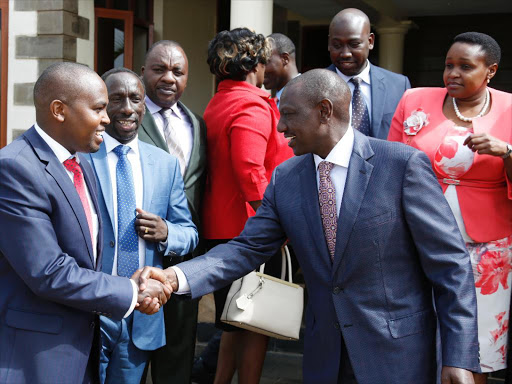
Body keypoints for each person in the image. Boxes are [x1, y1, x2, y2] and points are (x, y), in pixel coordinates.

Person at [136, 69, 480, 384]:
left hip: (398, 356)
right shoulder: (286, 178)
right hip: (325, 358)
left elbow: (451, 268)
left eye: (288, 114)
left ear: (324, 111)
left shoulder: (401, 167)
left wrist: (459, 356)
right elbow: (245, 248)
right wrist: (174, 278)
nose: (281, 127)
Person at [0, 62, 169, 384]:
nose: (108, 118)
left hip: (83, 347)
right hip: (36, 355)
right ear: (59, 110)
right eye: (98, 108)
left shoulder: (80, 163)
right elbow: (48, 272)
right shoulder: (15, 169)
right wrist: (131, 291)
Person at [388, 32, 512, 383]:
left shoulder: (510, 108)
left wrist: (506, 152)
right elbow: (389, 163)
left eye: (465, 67)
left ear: (490, 71)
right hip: (417, 235)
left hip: (487, 249)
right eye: (448, 65)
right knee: (420, 328)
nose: (452, 73)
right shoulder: (415, 100)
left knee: (477, 342)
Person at [85, 68, 198, 384]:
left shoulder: (164, 163)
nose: (126, 108)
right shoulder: (80, 158)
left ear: (144, 104)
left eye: (135, 98)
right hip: (88, 312)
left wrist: (166, 232)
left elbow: (189, 233)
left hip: (140, 315)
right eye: (116, 99)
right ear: (103, 105)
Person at [200, 28, 293, 384]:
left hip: (224, 227)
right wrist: (277, 223)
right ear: (256, 62)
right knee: (256, 325)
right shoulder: (251, 103)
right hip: (249, 229)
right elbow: (250, 169)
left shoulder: (219, 100)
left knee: (234, 324)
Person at [139, 40, 207, 384]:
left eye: (177, 71)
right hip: (138, 251)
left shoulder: (198, 123)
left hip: (184, 254)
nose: (169, 77)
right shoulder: (126, 118)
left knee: (179, 351)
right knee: (132, 353)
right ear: (142, 73)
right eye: (159, 69)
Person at [327, 8, 410, 139]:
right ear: (329, 43)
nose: (345, 53)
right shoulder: (311, 86)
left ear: (370, 41)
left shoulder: (399, 85)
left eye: (354, 44)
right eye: (337, 45)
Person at [263, 33, 300, 107]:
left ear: (285, 59)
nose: (260, 70)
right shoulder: (277, 100)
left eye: (265, 62)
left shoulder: (305, 94)